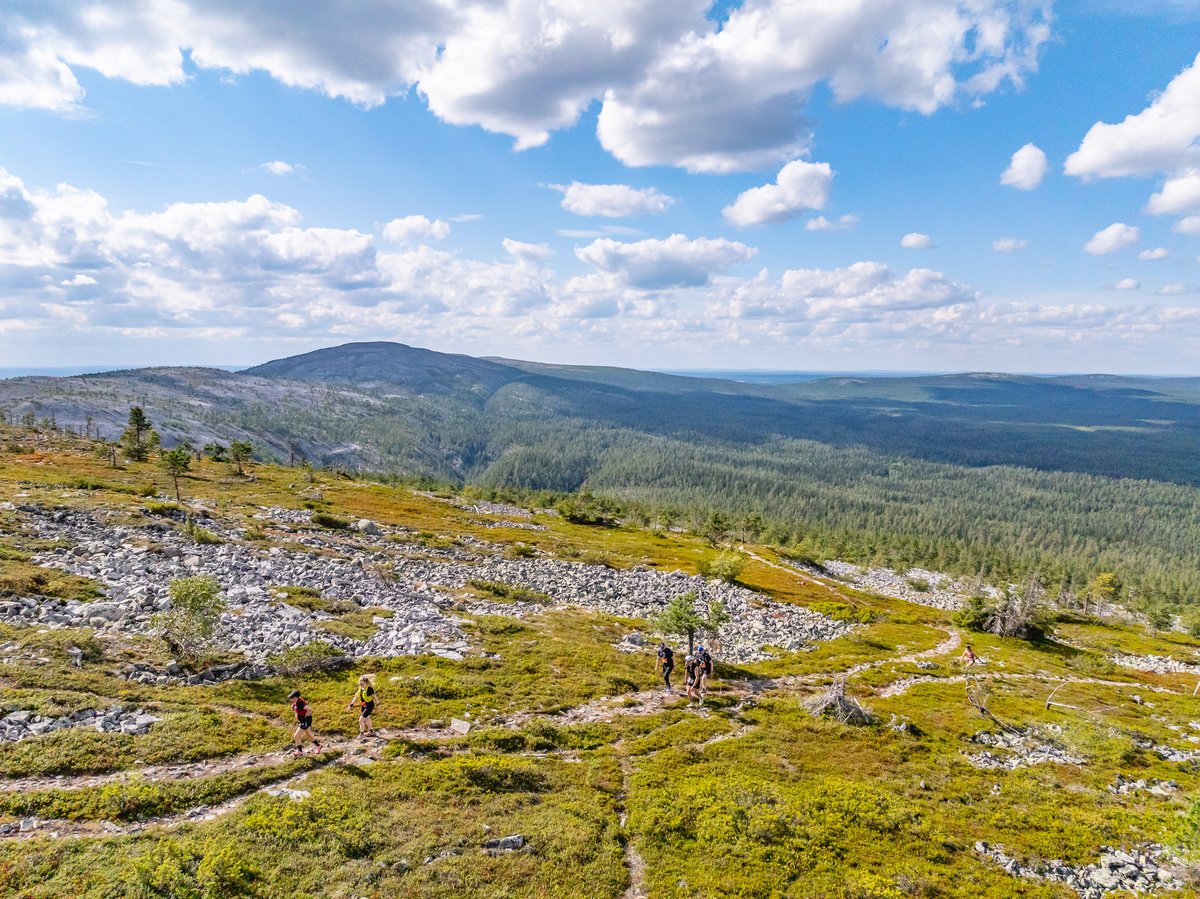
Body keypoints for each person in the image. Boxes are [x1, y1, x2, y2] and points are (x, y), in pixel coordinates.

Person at [288, 689, 322, 754]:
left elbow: (309, 709)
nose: (291, 699)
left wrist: (305, 717)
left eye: (292, 698)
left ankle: (300, 751)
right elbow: (297, 711)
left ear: (296, 697)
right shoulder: (295, 703)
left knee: (296, 736)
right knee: (308, 733)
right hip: (304, 720)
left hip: (305, 721)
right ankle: (319, 746)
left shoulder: (300, 703)